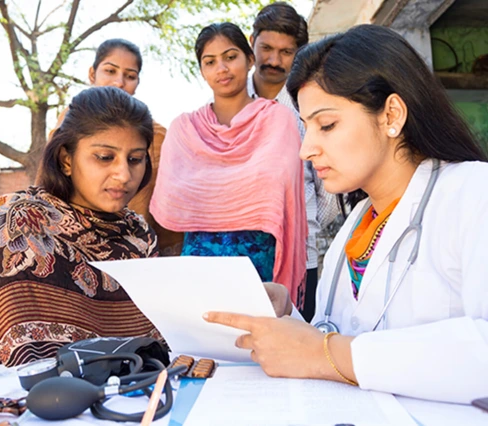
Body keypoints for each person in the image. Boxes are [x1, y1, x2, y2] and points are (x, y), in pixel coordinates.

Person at [204, 25, 488, 404]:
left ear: (391, 114)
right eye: (305, 128)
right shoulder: (357, 224)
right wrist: (285, 317)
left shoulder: (473, 192)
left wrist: (327, 353)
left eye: (327, 125)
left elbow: (337, 353)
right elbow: (336, 336)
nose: (306, 149)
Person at [0, 86, 162, 372]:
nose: (124, 174)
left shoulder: (140, 236)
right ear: (66, 160)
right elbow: (18, 360)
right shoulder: (22, 225)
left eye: (135, 159)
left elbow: (157, 347)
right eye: (105, 157)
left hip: (138, 402)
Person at [150, 23, 308, 306]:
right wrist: (239, 192)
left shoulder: (278, 121)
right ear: (202, 71)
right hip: (199, 259)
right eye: (210, 62)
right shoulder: (185, 129)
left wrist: (209, 192)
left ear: (250, 60)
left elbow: (278, 192)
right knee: (201, 342)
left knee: (256, 343)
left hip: (257, 257)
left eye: (230, 57)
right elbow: (172, 198)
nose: (221, 68)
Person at [248, 2, 339, 321]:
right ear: (251, 42)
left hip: (302, 258)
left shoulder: (311, 107)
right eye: (267, 48)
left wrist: (302, 224)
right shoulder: (224, 106)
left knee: (296, 349)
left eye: (286, 52)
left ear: (300, 54)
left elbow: (330, 194)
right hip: (239, 255)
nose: (273, 60)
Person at [51, 38, 183, 256]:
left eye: (130, 76)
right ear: (92, 74)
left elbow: (165, 205)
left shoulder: (157, 136)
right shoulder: (68, 123)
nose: (119, 82)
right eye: (110, 71)